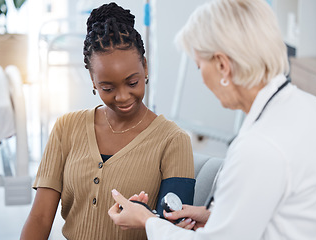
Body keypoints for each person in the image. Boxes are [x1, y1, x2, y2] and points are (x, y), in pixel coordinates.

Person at [108, 0, 316, 239]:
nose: (203, 81)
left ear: (222, 65)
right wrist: (216, 216)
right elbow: (288, 208)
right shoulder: (310, 106)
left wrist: (147, 221)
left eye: (199, 67)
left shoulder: (259, 147)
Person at [20, 2, 195, 240]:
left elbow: (174, 230)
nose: (122, 97)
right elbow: (40, 218)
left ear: (144, 67)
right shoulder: (66, 128)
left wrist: (146, 218)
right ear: (92, 80)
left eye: (132, 82)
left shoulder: (173, 141)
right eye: (107, 87)